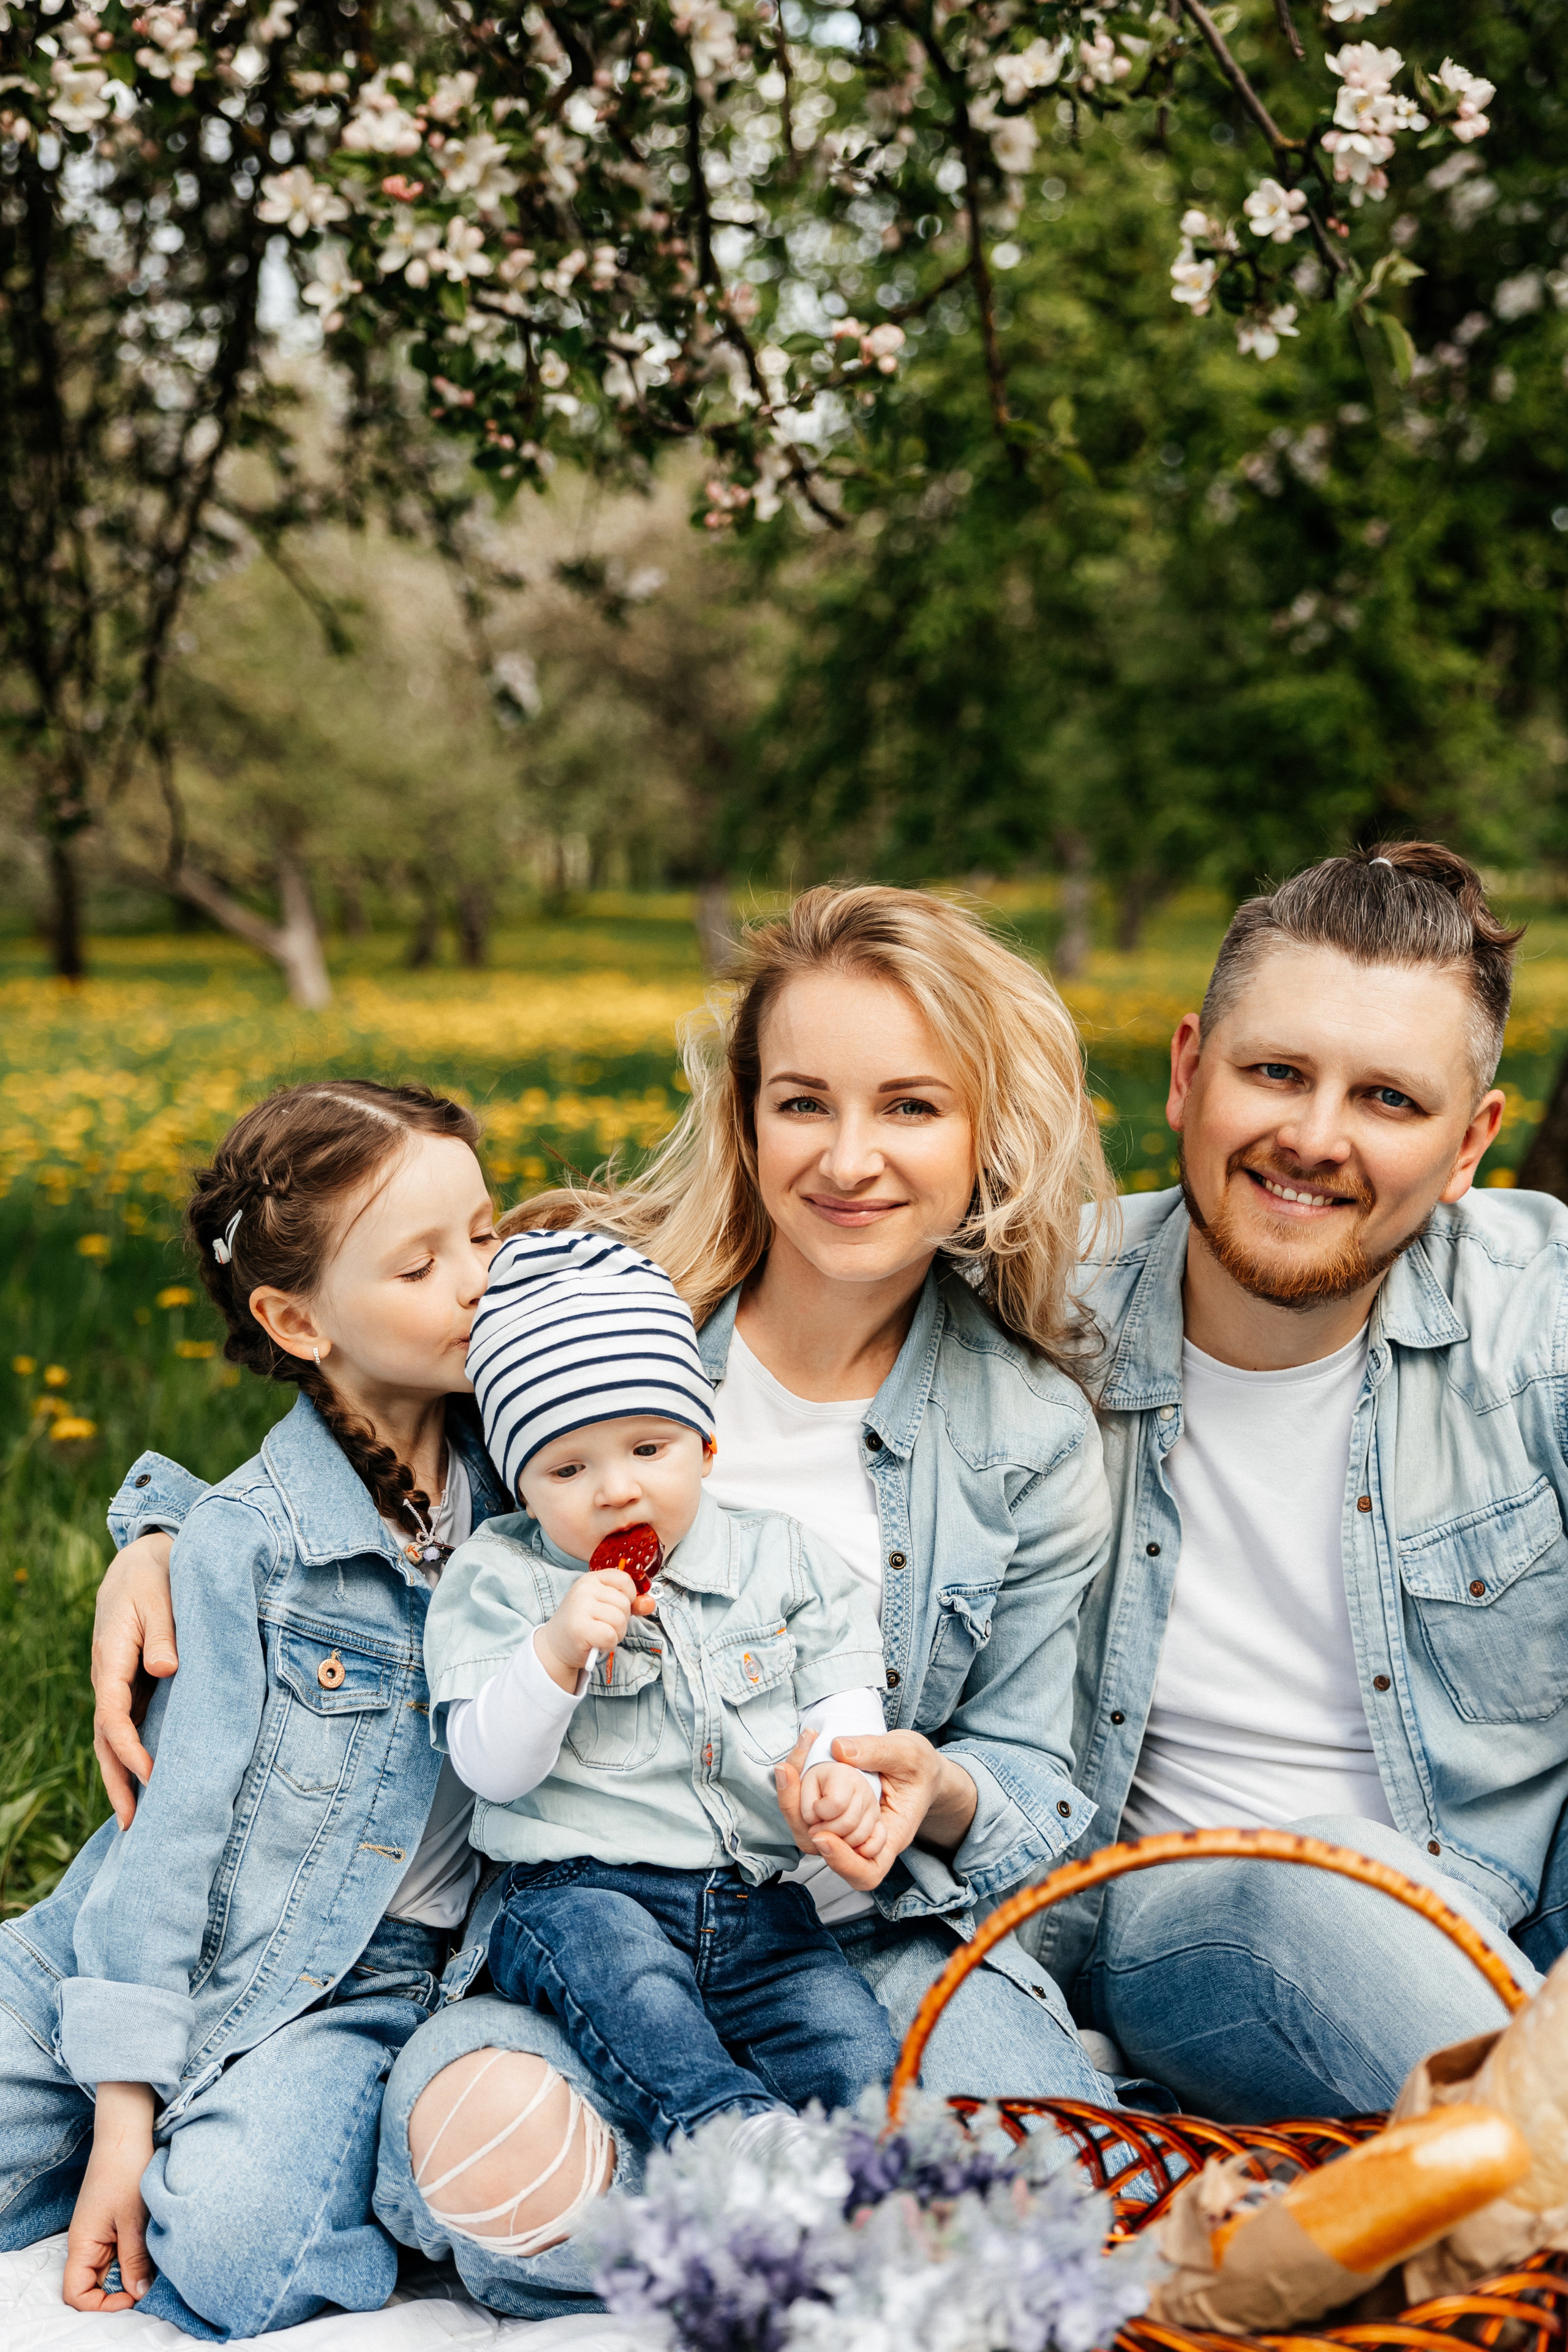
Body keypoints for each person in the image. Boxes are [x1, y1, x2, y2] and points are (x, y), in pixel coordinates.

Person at [87, 883, 1122, 2316]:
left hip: (865, 1936)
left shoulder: (1022, 1436)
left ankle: (769, 2221)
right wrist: (160, 1532)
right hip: (573, 1916)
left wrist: (925, 1791)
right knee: (498, 2169)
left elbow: (1036, 1778)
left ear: (982, 1130)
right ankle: (704, 2211)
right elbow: (352, 1419)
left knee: (1041, 2189)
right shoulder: (590, 1301)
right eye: (802, 1103)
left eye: (910, 1108)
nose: (847, 1158)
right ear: (746, 1117)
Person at [1027, 841, 1558, 2121]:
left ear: (1468, 1143)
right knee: (1291, 1889)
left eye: (1387, 1100)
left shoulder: (1537, 1322)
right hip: (1196, 1925)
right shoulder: (1027, 1320)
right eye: (1274, 1072)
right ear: (1184, 1071)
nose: (1312, 1138)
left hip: (1508, 1924)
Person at [0, 1080, 513, 2337]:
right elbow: (166, 1851)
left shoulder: (534, 1472)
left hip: (358, 1975)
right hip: (129, 1937)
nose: (475, 1282)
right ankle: (130, 2131)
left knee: (242, 2257)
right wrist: (126, 2112)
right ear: (294, 1318)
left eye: (486, 1235)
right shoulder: (246, 1545)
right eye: (418, 1265)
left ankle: (237, 2143)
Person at [426, 1227, 897, 2182]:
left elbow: (843, 1693)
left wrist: (840, 1778)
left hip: (756, 1895)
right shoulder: (499, 1579)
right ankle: (730, 2139)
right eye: (567, 1469)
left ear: (706, 1443)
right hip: (577, 1891)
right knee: (634, 1997)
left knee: (841, 2025)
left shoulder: (782, 1559)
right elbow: (486, 1764)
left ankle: (869, 2173)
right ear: (521, 1483)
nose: (617, 1488)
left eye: (649, 1446)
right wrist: (555, 1652)